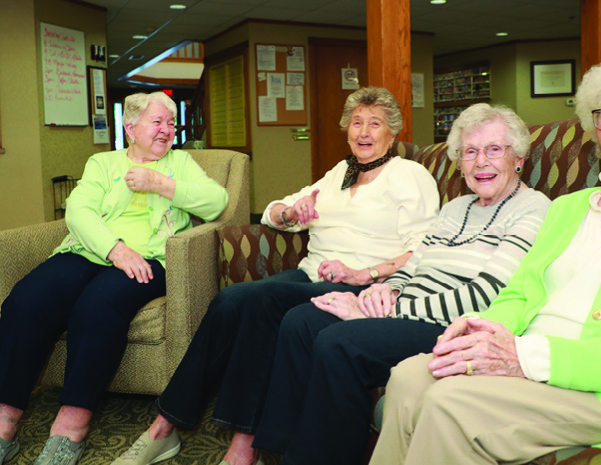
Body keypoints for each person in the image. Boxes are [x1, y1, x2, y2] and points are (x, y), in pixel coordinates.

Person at [370, 48, 601, 465]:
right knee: (408, 377)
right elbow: (518, 294)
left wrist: (526, 358)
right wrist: (485, 333)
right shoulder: (570, 207)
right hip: (539, 363)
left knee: (451, 402)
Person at [111, 86, 440, 465]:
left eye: (375, 124)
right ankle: (168, 424)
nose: (363, 131)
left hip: (358, 285)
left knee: (262, 303)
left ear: (392, 133)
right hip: (309, 273)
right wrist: (290, 212)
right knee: (230, 300)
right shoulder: (339, 172)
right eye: (356, 123)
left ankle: (235, 445)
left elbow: (423, 248)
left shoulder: (409, 176)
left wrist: (364, 272)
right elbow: (270, 213)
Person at [250, 103, 550, 465]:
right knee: (301, 321)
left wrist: (386, 311)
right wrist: (386, 289)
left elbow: (485, 295)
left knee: (338, 341)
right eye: (469, 152)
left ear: (517, 158)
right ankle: (280, 448)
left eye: (493, 150)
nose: (480, 162)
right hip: (405, 309)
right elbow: (417, 260)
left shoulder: (534, 209)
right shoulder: (458, 207)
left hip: (448, 326)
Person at [0, 91, 229, 465]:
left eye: (171, 123)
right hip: (94, 249)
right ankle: (4, 424)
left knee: (96, 309)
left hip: (149, 258)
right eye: (157, 122)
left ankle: (70, 429)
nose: (167, 130)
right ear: (130, 127)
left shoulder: (181, 162)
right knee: (26, 301)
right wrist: (114, 249)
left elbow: (216, 202)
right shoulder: (103, 162)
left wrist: (160, 184)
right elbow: (78, 211)